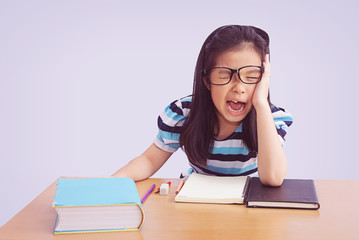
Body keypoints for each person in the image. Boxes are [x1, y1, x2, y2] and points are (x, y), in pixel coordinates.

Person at [113, 25, 293, 186]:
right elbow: (149, 160)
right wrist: (111, 182)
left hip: (247, 208)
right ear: (207, 80)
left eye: (252, 76)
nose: (239, 88)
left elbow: (273, 178)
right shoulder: (184, 114)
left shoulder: (270, 118)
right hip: (196, 204)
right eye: (224, 75)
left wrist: (261, 104)